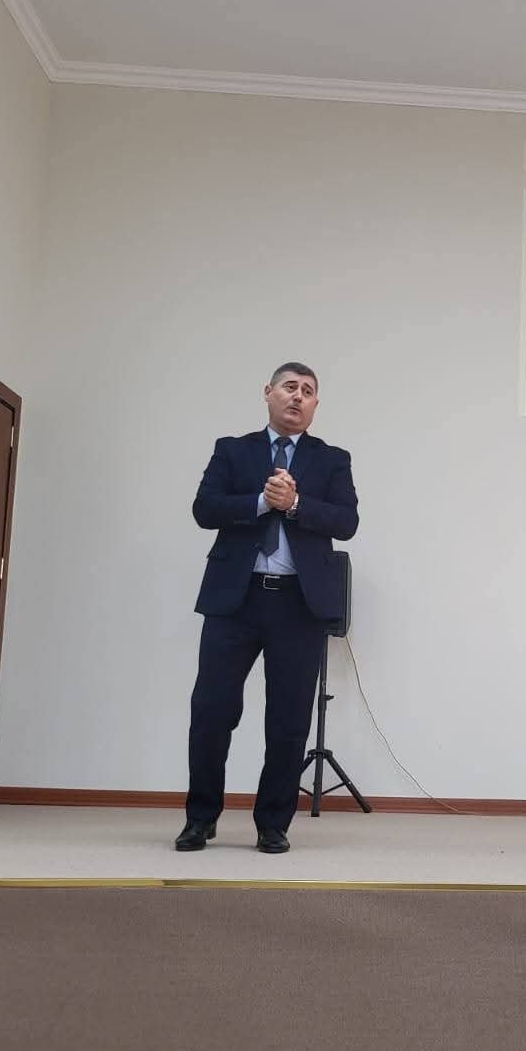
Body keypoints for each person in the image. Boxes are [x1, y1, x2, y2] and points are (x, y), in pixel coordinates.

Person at [176, 362, 359, 853]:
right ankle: (200, 818)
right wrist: (261, 502)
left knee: (288, 720)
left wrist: (296, 504)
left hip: (299, 605)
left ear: (315, 405)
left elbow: (347, 521)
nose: (298, 397)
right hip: (234, 601)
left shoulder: (332, 459)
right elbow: (204, 508)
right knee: (212, 711)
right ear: (268, 393)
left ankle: (273, 824)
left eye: (308, 391)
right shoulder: (232, 450)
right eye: (289, 387)